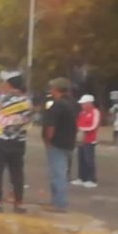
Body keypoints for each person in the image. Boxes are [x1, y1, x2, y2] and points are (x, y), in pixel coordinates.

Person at [0, 72, 33, 213]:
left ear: (9, 84)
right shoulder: (27, 102)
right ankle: (18, 203)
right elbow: (28, 121)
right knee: (17, 173)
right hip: (19, 142)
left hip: (0, 140)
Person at [42, 78, 78, 213]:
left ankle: (59, 204)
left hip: (57, 143)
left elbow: (51, 126)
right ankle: (56, 201)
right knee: (61, 173)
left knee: (57, 174)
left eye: (52, 87)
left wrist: (47, 141)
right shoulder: (73, 103)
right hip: (69, 142)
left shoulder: (57, 105)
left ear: (56, 89)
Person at [74, 94, 101, 188]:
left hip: (90, 140)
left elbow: (94, 126)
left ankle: (91, 179)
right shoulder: (82, 113)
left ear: (89, 103)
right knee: (81, 159)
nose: (82, 105)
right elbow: (78, 124)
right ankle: (82, 178)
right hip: (81, 140)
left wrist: (82, 129)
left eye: (83, 104)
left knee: (89, 160)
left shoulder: (95, 112)